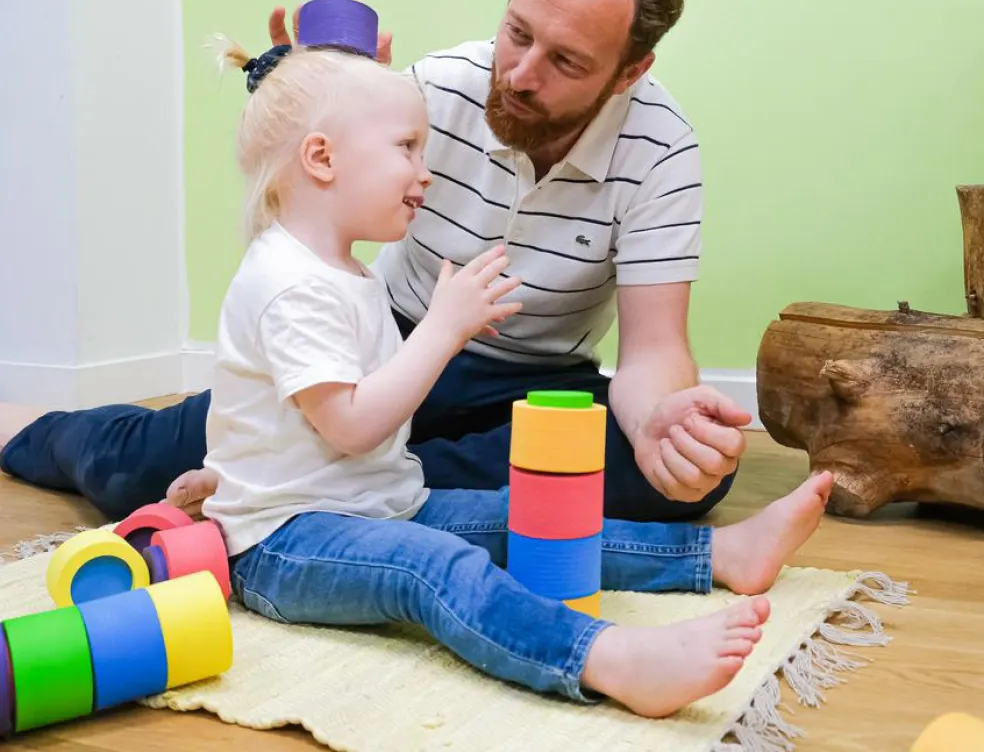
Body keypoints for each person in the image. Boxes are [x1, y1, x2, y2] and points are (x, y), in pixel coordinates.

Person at [1, 0, 750, 523]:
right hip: (381, 342)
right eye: (518, 33)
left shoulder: (660, 148)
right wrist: (299, 91)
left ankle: (332, 483)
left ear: (629, 71)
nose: (520, 74)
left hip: (533, 382)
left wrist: (661, 423)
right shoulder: (440, 88)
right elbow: (313, 167)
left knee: (674, 473)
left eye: (566, 61)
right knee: (143, 465)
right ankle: (34, 428)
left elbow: (654, 348)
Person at [186, 37, 829, 717]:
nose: (425, 173)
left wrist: (232, 469)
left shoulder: (340, 271)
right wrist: (442, 329)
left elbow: (274, 417)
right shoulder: (290, 284)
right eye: (407, 149)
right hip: (287, 545)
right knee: (434, 567)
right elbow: (350, 427)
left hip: (377, 503)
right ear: (322, 158)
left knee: (528, 516)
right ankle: (604, 658)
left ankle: (718, 555)